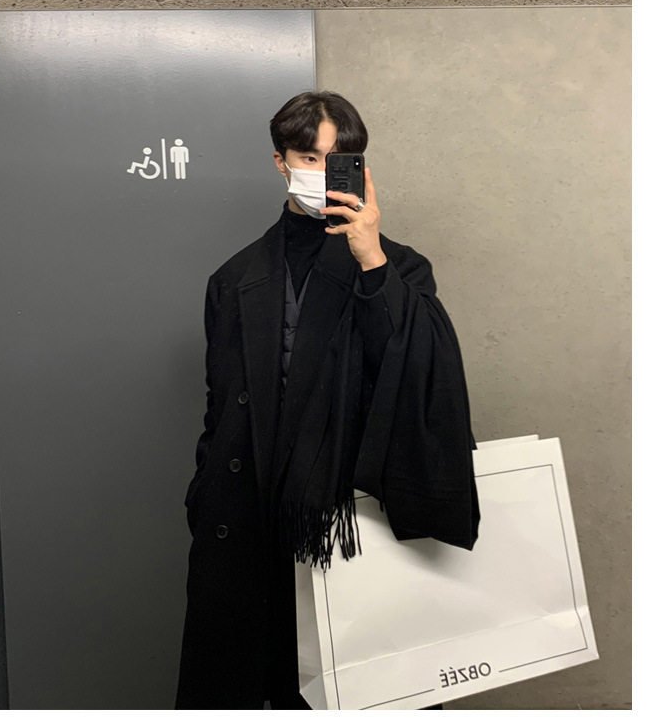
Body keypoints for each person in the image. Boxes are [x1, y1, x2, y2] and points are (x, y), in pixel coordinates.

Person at [175, 91, 479, 710]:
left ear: (359, 167)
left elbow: (421, 377)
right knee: (254, 685)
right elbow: (220, 407)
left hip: (350, 521)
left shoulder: (400, 268)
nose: (320, 170)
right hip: (250, 520)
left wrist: (371, 257)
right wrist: (205, 496)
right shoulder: (233, 279)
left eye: (338, 158)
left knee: (359, 690)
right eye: (308, 157)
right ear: (280, 162)